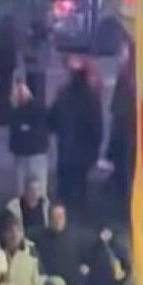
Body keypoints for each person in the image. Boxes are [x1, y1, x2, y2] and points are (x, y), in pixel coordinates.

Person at [50, 57, 104, 208]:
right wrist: (96, 147)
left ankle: (61, 207)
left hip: (65, 148)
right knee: (81, 184)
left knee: (63, 184)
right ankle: (79, 207)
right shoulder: (92, 99)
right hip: (84, 150)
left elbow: (53, 118)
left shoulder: (64, 95)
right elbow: (97, 127)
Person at [30, 202, 87, 285]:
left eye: (60, 217)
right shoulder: (39, 237)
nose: (58, 220)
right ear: (49, 219)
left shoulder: (74, 236)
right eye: (55, 217)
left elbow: (85, 256)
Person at [8, 81, 51, 196]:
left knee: (34, 188)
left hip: (35, 155)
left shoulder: (38, 111)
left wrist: (24, 129)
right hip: (24, 154)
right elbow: (17, 130)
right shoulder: (16, 112)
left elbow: (35, 132)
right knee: (26, 189)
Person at [107, 40, 136, 208]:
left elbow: (117, 108)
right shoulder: (125, 77)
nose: (119, 57)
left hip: (129, 132)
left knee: (128, 169)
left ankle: (127, 201)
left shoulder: (128, 78)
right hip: (127, 133)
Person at [1, 215, 44, 285]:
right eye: (10, 231)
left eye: (18, 231)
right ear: (4, 234)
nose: (14, 235)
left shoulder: (31, 257)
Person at [0, 16, 19, 125]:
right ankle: (5, 116)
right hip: (8, 68)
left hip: (0, 68)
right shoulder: (12, 40)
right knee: (6, 91)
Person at [23, 19, 52, 107]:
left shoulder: (42, 42)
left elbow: (38, 56)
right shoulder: (31, 40)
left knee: (37, 94)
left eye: (31, 29)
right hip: (31, 70)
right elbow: (26, 54)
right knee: (31, 93)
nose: (29, 31)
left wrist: (29, 57)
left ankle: (38, 110)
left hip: (38, 71)